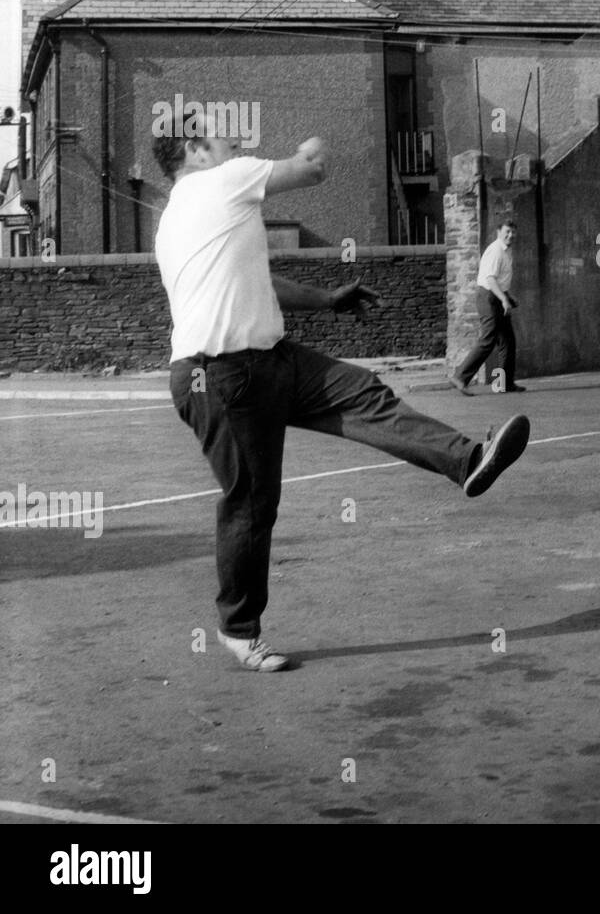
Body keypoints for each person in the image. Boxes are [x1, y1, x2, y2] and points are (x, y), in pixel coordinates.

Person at [153, 116, 529, 673]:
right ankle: (239, 629)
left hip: (272, 360)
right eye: (226, 137)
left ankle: (469, 461)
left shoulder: (181, 218)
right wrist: (316, 139)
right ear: (196, 149)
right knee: (253, 503)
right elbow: (312, 167)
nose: (238, 143)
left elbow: (262, 282)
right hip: (220, 375)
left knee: (362, 392)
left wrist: (328, 300)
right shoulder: (219, 181)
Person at [451, 220, 524, 395]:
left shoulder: (506, 251)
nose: (510, 235)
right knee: (488, 339)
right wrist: (504, 300)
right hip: (489, 298)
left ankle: (504, 384)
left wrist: (508, 297)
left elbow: (499, 280)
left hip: (497, 297)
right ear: (499, 231)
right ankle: (460, 376)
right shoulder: (496, 251)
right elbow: (490, 280)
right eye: (507, 232)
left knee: (507, 341)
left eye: (513, 232)